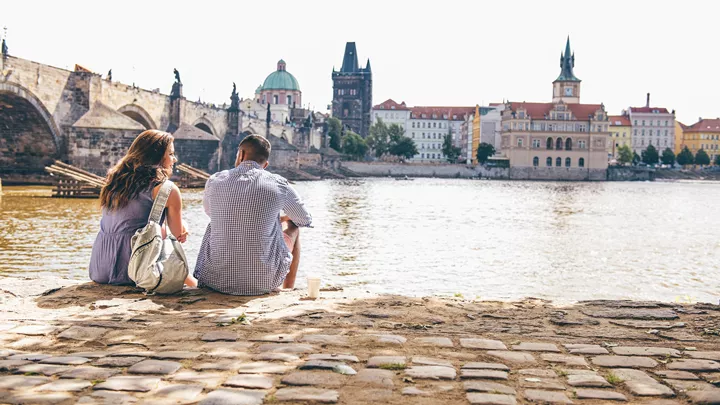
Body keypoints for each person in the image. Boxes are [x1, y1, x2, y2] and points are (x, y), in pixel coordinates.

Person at [194, 135, 312, 295]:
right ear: (266, 164)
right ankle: (288, 289)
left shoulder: (215, 180)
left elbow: (210, 212)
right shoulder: (279, 184)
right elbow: (305, 219)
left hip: (215, 281)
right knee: (294, 226)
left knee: (215, 223)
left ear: (241, 155)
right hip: (262, 283)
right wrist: (280, 218)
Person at [89, 129, 196, 287]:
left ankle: (193, 283)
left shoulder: (114, 182)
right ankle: (196, 286)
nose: (174, 159)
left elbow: (132, 225)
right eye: (171, 154)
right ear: (158, 157)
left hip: (100, 267)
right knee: (169, 243)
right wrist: (184, 225)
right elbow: (179, 234)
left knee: (159, 232)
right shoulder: (167, 189)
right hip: (133, 271)